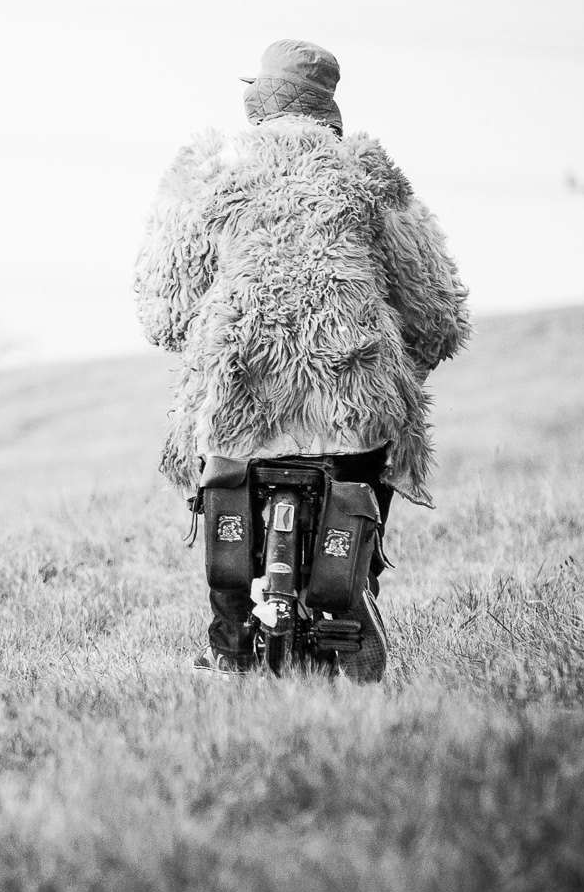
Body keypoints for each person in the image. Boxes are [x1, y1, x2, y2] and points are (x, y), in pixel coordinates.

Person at [133, 40, 472, 678]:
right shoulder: (367, 171)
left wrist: (205, 339)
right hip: (351, 403)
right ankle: (352, 583)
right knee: (367, 467)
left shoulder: (209, 169)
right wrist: (407, 357)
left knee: (220, 479)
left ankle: (231, 634)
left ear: (258, 100)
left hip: (238, 401)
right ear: (328, 108)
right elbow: (435, 310)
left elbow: (163, 307)